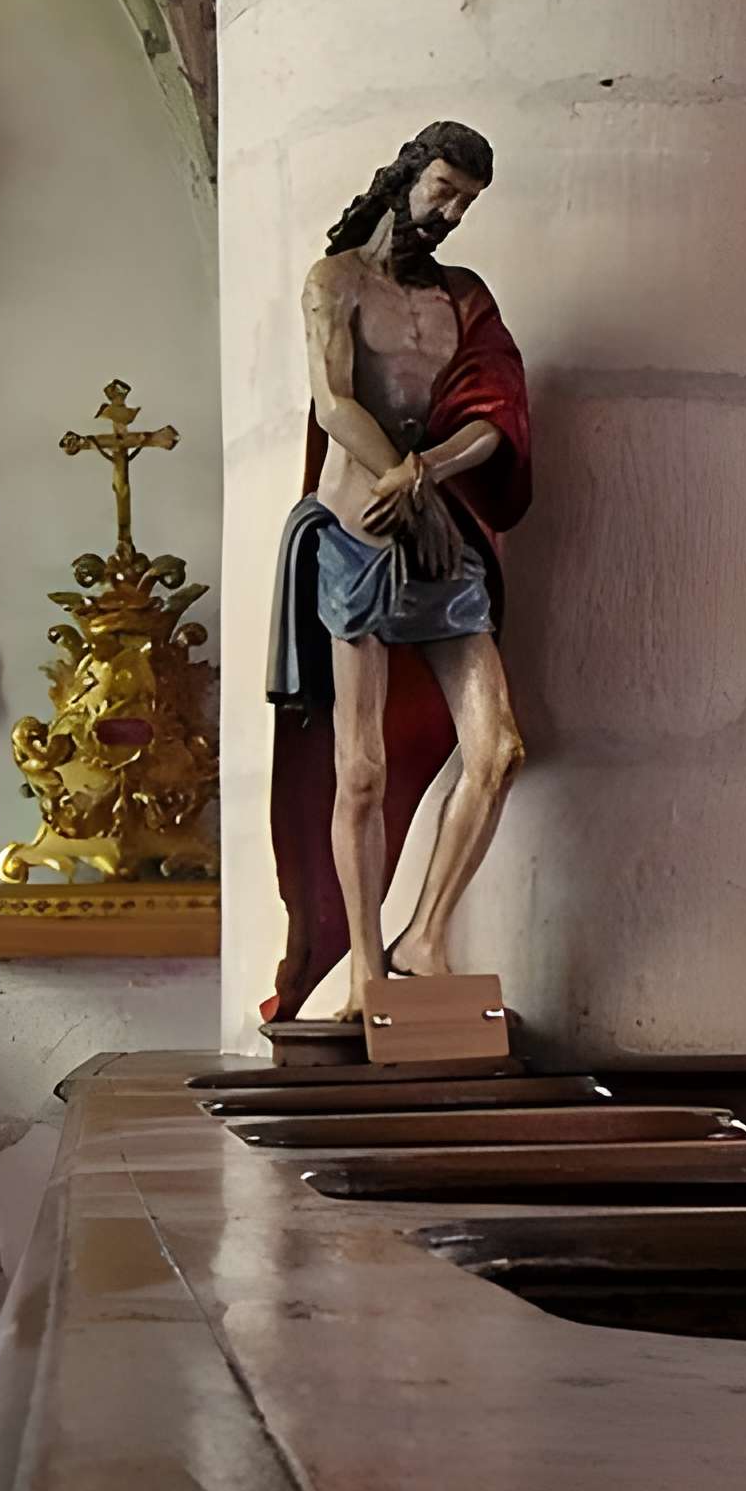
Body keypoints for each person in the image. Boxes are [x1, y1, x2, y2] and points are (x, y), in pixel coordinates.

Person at [265, 120, 532, 1021]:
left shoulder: (465, 299)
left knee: (496, 748)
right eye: (443, 191)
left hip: (435, 533)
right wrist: (400, 482)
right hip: (356, 535)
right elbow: (334, 400)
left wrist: (429, 477)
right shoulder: (335, 281)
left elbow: (495, 410)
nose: (450, 214)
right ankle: (368, 974)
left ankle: (426, 932)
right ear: (406, 176)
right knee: (362, 771)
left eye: (465, 203)